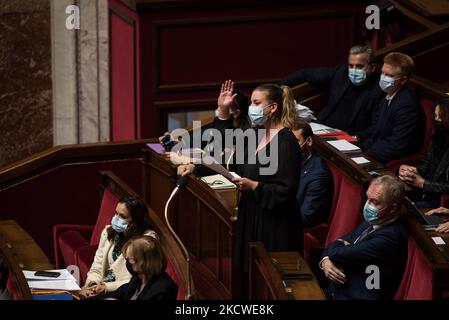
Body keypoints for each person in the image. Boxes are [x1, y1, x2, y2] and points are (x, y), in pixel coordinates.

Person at [178, 83, 303, 271]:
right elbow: (226, 157)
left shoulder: (286, 142)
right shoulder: (255, 134)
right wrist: (194, 167)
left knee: (268, 278)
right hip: (250, 212)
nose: (251, 108)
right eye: (251, 102)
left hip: (274, 224)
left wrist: (254, 186)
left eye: (256, 102)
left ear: (273, 108)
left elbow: (286, 189)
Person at [320, 175, 408, 300]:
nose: (368, 205)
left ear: (393, 208)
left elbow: (337, 253)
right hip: (338, 290)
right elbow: (337, 243)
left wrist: (334, 252)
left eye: (375, 202)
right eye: (367, 199)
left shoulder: (389, 238)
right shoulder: (374, 220)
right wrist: (325, 261)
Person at [279, 44, 384, 136]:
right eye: (351, 66)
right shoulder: (341, 73)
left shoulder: (379, 90)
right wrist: (276, 87)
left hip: (348, 137)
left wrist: (357, 137)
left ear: (372, 67)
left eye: (360, 66)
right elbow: (306, 74)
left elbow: (376, 126)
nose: (354, 70)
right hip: (322, 128)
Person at [79, 196, 157, 298]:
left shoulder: (146, 241)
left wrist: (105, 287)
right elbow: (97, 265)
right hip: (99, 287)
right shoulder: (109, 231)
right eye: (116, 213)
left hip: (124, 293)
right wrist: (92, 284)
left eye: (123, 217)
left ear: (136, 221)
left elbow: (139, 280)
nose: (116, 219)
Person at [357, 52, 425, 163]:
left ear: (403, 80)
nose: (383, 78)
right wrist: (357, 141)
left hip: (393, 161)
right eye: (382, 73)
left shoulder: (408, 107)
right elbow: (376, 130)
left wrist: (364, 153)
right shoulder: (387, 96)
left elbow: (396, 146)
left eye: (389, 75)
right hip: (376, 151)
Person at [87, 236, 177, 300]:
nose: (128, 263)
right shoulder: (138, 279)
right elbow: (117, 294)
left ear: (144, 262)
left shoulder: (162, 290)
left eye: (130, 260)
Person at [399, 98, 449, 208]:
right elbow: (426, 165)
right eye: (435, 117)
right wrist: (413, 171)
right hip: (424, 193)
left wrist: (422, 183)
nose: (437, 121)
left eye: (441, 117)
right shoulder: (438, 137)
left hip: (438, 202)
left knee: (396, 209)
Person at [291, 119, 333, 228]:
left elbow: (304, 217)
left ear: (309, 141)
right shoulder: (292, 160)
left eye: (295, 142)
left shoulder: (319, 175)